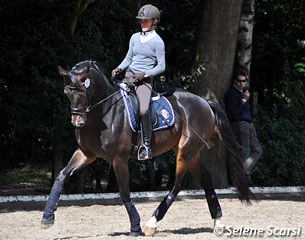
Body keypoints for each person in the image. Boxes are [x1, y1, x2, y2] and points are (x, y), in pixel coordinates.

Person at [112, 4, 166, 160]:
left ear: (155, 21)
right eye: (141, 21)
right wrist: (119, 68)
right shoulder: (134, 37)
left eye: (146, 21)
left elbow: (161, 66)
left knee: (143, 110)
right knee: (116, 101)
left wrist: (145, 74)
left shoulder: (158, 41)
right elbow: (129, 58)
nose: (142, 23)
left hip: (145, 81)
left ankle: (146, 146)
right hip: (129, 76)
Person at [224, 71, 263, 181]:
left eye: (244, 81)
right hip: (239, 124)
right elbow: (234, 112)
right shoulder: (231, 94)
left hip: (248, 123)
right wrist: (243, 100)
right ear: (235, 81)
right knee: (245, 152)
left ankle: (242, 173)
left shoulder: (243, 93)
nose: (242, 83)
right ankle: (242, 177)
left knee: (258, 149)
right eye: (239, 81)